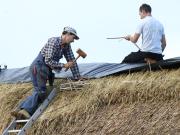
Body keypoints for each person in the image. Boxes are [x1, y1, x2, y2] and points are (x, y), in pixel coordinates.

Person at [11, 26, 83, 119]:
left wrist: (77, 76)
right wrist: (64, 65)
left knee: (43, 90)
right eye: (73, 38)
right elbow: (48, 60)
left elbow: (71, 60)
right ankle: (25, 111)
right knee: (41, 90)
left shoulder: (66, 46)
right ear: (67, 34)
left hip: (47, 69)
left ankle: (19, 109)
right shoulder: (53, 42)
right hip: (39, 66)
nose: (73, 41)